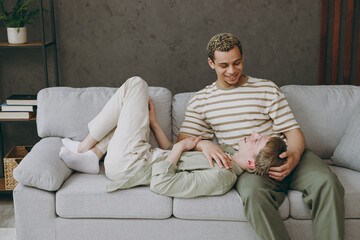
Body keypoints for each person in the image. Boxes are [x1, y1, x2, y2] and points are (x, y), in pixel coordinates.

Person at [177, 33, 344, 239]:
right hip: (253, 169)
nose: (231, 71)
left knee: (327, 183)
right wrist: (203, 145)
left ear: (243, 57)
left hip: (285, 153)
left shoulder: (266, 88)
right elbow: (182, 141)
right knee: (253, 195)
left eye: (237, 63)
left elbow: (293, 132)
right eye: (223, 65)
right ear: (211, 63)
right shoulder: (201, 100)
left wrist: (293, 156)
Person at [58, 76, 287, 198]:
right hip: (143, 156)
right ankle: (93, 153)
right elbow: (172, 150)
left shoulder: (222, 177)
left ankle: (83, 148)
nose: (254, 133)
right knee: (130, 108)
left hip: (131, 165)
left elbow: (162, 183)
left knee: (136, 84)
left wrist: (182, 147)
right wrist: (155, 124)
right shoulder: (225, 152)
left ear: (250, 163)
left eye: (258, 140)